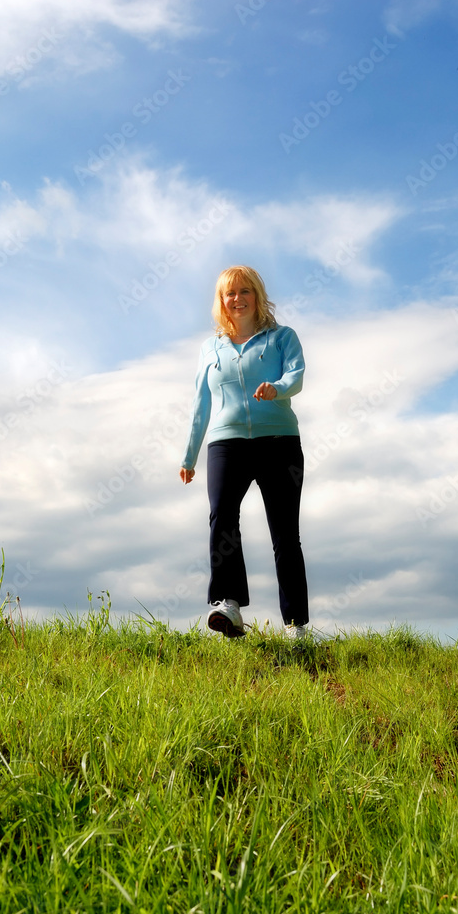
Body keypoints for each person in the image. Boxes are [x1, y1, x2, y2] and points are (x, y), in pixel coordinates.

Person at [179, 265, 309, 640]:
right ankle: (228, 604)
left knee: (285, 534)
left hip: (279, 441)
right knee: (221, 516)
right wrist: (189, 456)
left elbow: (296, 375)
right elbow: (200, 404)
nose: (237, 299)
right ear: (221, 301)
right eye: (229, 294)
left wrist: (278, 388)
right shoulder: (210, 348)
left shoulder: (282, 337)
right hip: (226, 442)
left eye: (244, 292)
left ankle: (296, 625)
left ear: (257, 295)